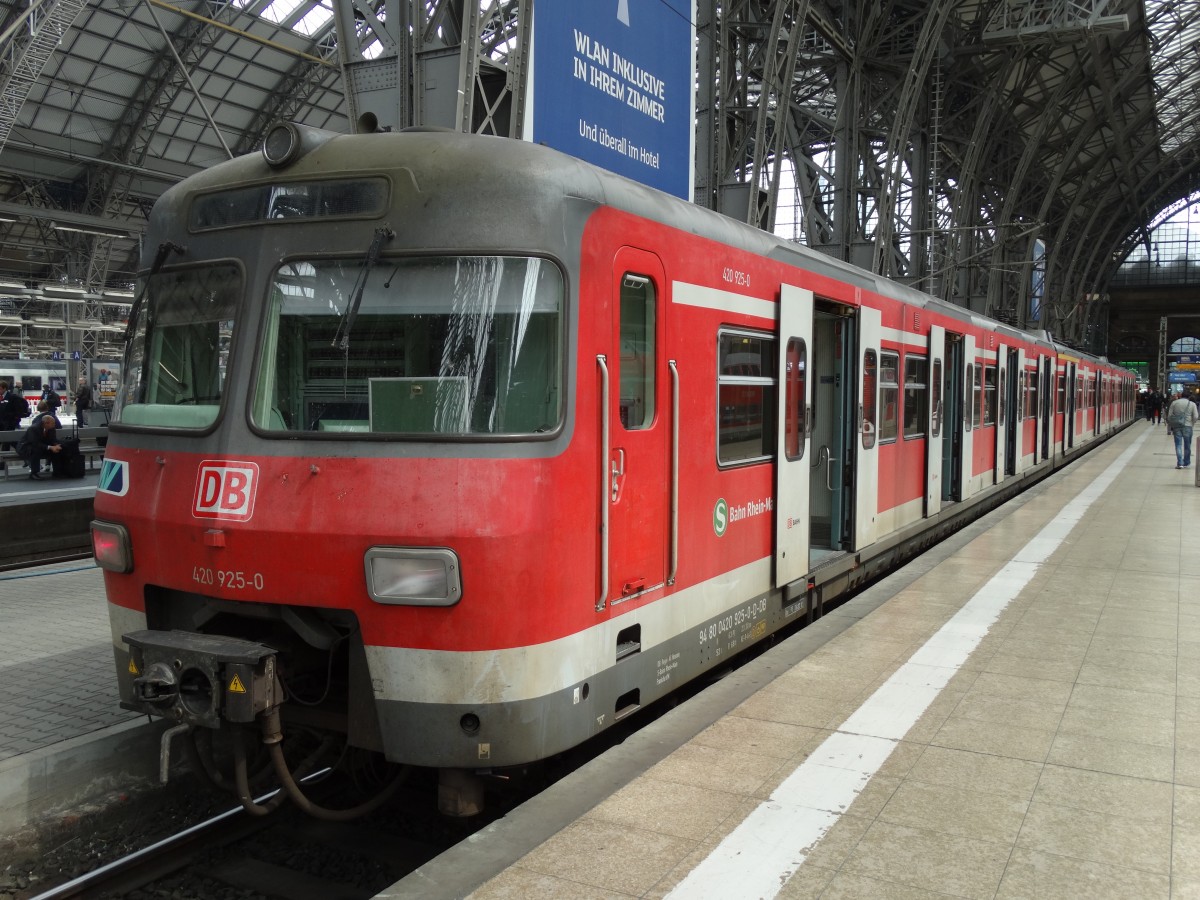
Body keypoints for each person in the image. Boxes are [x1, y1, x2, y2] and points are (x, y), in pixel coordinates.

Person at [16, 414, 63, 480]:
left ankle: (58, 471)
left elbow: (53, 439)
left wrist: (56, 445)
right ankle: (34, 473)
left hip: (42, 446)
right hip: (26, 447)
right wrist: (50, 447)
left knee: (58, 450)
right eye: (53, 423)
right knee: (35, 450)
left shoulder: (51, 429)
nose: (54, 425)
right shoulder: (33, 428)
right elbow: (35, 443)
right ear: (46, 423)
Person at [1166, 390, 1199, 469]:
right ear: (1189, 397)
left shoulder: (1174, 403)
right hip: (1188, 426)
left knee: (1178, 445)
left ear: (1181, 395)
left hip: (1177, 426)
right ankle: (1186, 462)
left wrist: (1172, 424)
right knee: (1187, 445)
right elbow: (1195, 416)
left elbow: (1169, 416)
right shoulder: (1192, 404)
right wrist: (1192, 423)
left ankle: (1180, 463)